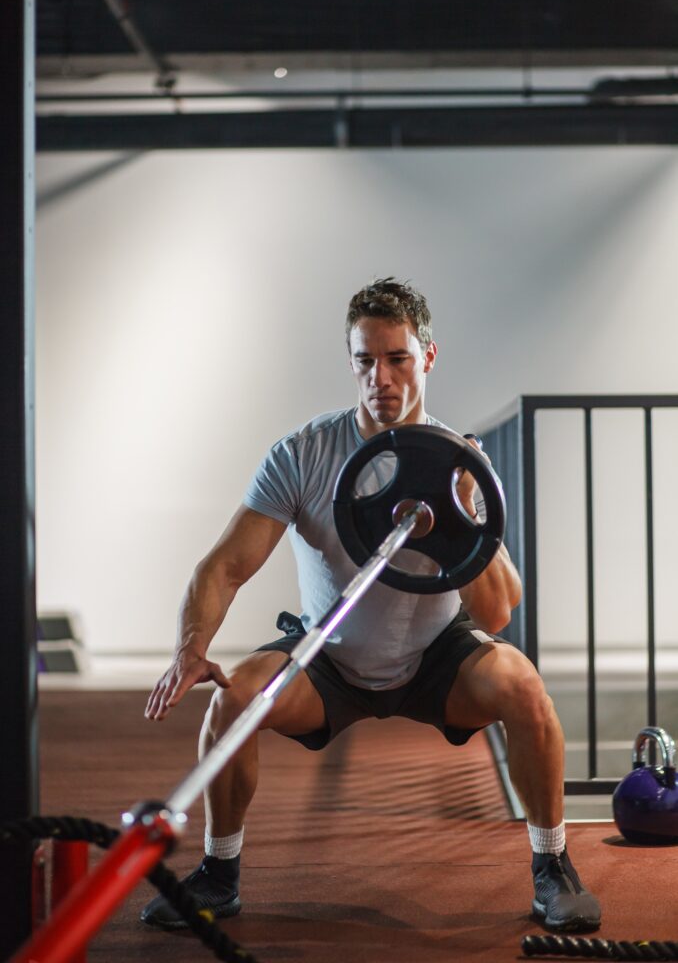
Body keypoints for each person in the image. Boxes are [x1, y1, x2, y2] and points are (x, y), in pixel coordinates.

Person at [142, 278, 601, 934]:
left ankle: (552, 867)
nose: (379, 378)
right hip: (328, 657)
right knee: (233, 701)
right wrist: (191, 649)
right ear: (351, 360)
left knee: (524, 688)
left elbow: (498, 613)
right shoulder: (302, 454)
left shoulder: (459, 462)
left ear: (428, 356)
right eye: (365, 360)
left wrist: (461, 506)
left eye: (397, 359)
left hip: (437, 658)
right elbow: (225, 566)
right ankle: (219, 873)